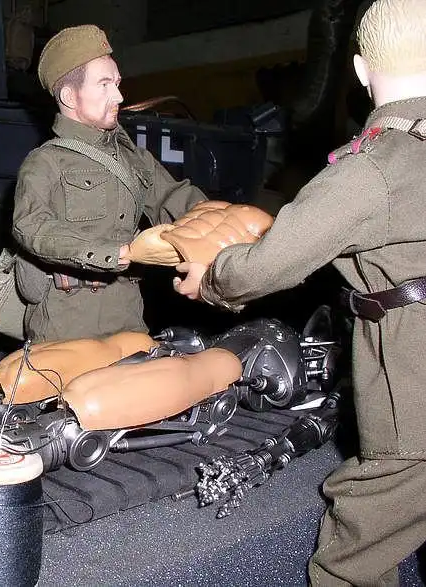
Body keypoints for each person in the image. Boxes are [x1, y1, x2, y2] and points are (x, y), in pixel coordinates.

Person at [173, 0, 426, 583]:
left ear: (360, 70)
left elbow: (268, 264)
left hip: (410, 378)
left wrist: (212, 276)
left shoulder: (372, 170)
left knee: (357, 547)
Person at [12, 24, 206, 343]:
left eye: (116, 83)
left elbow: (175, 198)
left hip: (128, 315)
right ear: (69, 96)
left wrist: (222, 224)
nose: (118, 96)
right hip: (66, 322)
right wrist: (119, 253)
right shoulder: (45, 162)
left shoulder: (133, 158)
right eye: (104, 84)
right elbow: (31, 226)